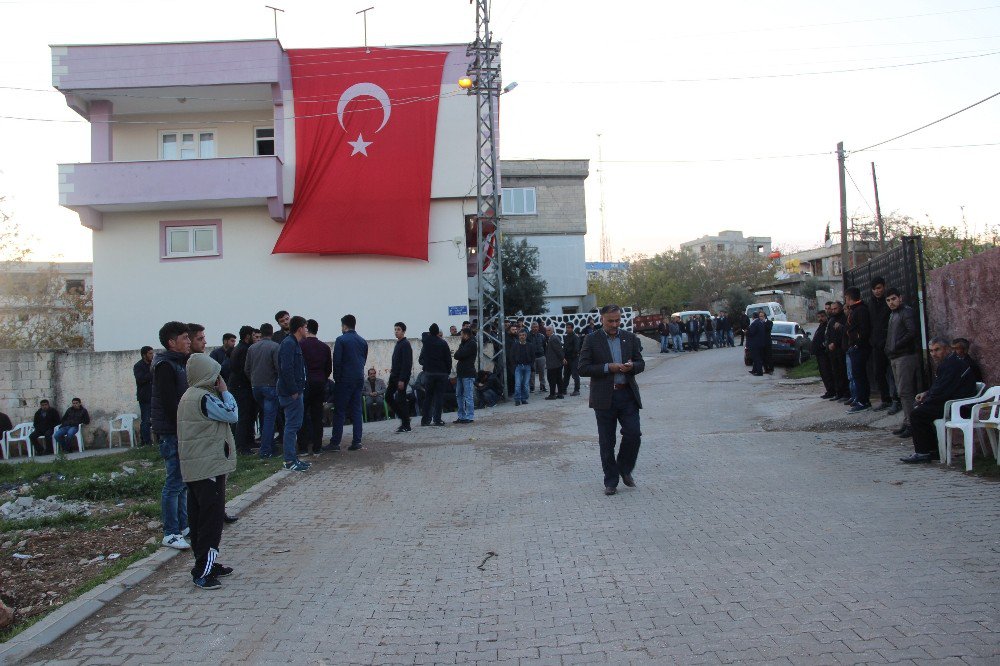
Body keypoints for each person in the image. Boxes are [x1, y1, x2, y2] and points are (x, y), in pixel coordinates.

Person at [176, 352, 238, 590]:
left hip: (195, 468)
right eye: (215, 375)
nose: (217, 379)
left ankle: (206, 563)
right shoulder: (204, 397)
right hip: (209, 467)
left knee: (199, 519)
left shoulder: (187, 396)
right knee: (211, 523)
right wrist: (225, 390)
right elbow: (232, 413)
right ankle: (203, 571)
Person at [579, 304, 645, 496]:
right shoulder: (591, 340)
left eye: (618, 320)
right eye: (611, 321)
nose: (615, 324)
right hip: (604, 397)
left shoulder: (629, 338)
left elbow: (640, 363)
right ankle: (611, 481)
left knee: (634, 434)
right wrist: (608, 367)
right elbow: (582, 368)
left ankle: (624, 468)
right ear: (602, 319)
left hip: (627, 395)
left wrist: (632, 366)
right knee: (607, 441)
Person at [900, 337, 978, 464]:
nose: (933, 354)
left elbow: (943, 390)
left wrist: (927, 400)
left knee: (917, 414)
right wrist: (926, 394)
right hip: (952, 402)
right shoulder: (947, 363)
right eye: (931, 351)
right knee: (921, 412)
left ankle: (923, 452)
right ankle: (932, 451)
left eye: (937, 350)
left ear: (947, 349)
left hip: (960, 407)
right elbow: (939, 387)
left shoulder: (953, 364)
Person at [151, 321, 192, 550]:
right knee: (174, 482)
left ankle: (184, 526)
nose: (188, 341)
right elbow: (170, 403)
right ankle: (171, 532)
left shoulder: (177, 363)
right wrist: (183, 425)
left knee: (182, 481)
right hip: (172, 431)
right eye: (185, 338)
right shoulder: (165, 365)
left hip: (179, 430)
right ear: (171, 342)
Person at [328, 314, 369, 451]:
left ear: (344, 325)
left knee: (339, 411)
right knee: (357, 410)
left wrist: (337, 379)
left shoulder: (341, 340)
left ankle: (335, 442)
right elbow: (363, 360)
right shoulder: (363, 341)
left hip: (344, 379)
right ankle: (357, 441)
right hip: (358, 378)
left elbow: (337, 362)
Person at [277, 316, 311, 471]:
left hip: (296, 391)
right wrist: (294, 390)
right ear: (299, 329)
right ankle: (289, 460)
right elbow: (286, 368)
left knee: (294, 425)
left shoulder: (293, 343)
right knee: (291, 426)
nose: (307, 330)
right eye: (305, 327)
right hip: (291, 393)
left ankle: (293, 458)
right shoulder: (289, 344)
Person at [885, 288, 920, 439]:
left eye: (893, 299)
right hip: (895, 356)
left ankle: (912, 424)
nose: (891, 302)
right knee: (902, 392)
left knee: (905, 391)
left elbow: (912, 332)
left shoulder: (906, 312)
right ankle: (907, 422)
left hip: (905, 355)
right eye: (888, 300)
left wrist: (896, 345)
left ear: (900, 297)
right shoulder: (894, 314)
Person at [245, 323, 280, 458]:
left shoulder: (252, 348)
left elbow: (247, 369)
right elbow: (278, 368)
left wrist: (254, 380)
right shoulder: (275, 347)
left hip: (256, 387)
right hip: (270, 386)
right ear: (271, 333)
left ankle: (270, 445)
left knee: (265, 416)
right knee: (270, 419)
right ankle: (266, 451)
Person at [299, 319, 332, 455]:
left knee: (302, 415)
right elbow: (328, 368)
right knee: (317, 416)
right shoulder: (324, 347)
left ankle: (303, 447)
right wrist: (322, 379)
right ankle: (317, 447)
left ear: (306, 329)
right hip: (319, 383)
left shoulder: (300, 345)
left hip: (305, 384)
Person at [228, 326, 257, 455]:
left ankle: (248, 441)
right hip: (242, 388)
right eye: (253, 335)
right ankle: (242, 446)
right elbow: (246, 370)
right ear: (247, 336)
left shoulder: (238, 349)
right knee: (244, 417)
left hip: (238, 386)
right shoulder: (244, 350)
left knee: (247, 416)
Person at [868, 278, 896, 412]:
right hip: (876, 344)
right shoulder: (871, 304)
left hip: (890, 344)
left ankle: (897, 400)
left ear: (884, 287)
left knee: (893, 373)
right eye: (874, 289)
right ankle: (886, 399)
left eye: (879, 288)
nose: (877, 291)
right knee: (878, 372)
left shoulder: (889, 302)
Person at [844, 286, 873, 412]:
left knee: (859, 375)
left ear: (848, 298)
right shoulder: (855, 310)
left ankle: (863, 401)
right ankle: (860, 399)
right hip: (855, 347)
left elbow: (863, 329)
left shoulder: (860, 310)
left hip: (859, 348)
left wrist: (857, 343)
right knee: (856, 375)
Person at [418, 323, 451, 426]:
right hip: (442, 373)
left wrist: (427, 366)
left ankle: (425, 420)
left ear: (429, 331)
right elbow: (448, 359)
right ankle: (437, 419)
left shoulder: (426, 343)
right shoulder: (443, 343)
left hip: (429, 374)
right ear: (438, 332)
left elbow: (421, 359)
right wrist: (447, 372)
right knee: (439, 397)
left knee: (428, 397)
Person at [387, 322, 414, 433]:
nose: (396, 331)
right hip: (394, 377)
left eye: (398, 329)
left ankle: (406, 423)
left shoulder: (405, 344)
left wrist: (402, 379)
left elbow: (406, 364)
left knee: (401, 400)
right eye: (395, 329)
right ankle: (405, 419)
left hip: (400, 378)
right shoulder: (398, 343)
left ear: (403, 331)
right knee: (388, 397)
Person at [826, 301, 850, 401]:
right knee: (836, 372)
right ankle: (839, 393)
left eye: (835, 308)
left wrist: (835, 343)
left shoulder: (843, 318)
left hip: (841, 349)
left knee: (843, 372)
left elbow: (843, 335)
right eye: (832, 309)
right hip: (832, 351)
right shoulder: (831, 319)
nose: (833, 310)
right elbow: (828, 334)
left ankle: (846, 393)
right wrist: (829, 344)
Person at [453, 328, 477, 423]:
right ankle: (461, 416)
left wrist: (460, 352)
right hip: (460, 374)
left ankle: (470, 416)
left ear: (466, 335)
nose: (461, 336)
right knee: (459, 395)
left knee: (468, 396)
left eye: (462, 334)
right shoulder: (463, 344)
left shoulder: (472, 343)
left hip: (468, 374)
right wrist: (460, 351)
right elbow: (456, 355)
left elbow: (460, 354)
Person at [812, 311, 836, 398]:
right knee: (823, 373)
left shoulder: (827, 326)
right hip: (819, 353)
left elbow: (827, 338)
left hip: (824, 353)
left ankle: (831, 391)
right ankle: (829, 390)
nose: (820, 319)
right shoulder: (820, 326)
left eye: (822, 316)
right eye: (818, 317)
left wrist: (822, 345)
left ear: (826, 316)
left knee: (827, 372)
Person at [133, 346, 154, 445]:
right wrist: (151, 373)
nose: (152, 355)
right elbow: (141, 379)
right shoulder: (138, 366)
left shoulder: (153, 364)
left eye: (152, 353)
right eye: (150, 353)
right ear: (144, 355)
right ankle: (145, 441)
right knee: (145, 420)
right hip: (145, 397)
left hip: (154, 396)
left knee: (156, 419)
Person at [511, 329, 534, 406]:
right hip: (518, 367)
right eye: (520, 335)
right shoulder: (515, 345)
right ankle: (517, 399)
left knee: (525, 384)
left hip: (527, 367)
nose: (522, 337)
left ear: (526, 336)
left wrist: (531, 364)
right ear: (518, 336)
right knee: (518, 384)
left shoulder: (530, 345)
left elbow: (533, 356)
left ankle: (524, 399)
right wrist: (514, 365)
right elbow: (512, 356)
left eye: (523, 335)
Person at [544, 325, 566, 400]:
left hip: (554, 363)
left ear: (552, 331)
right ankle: (560, 394)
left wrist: (562, 358)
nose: (547, 332)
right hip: (555, 363)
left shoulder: (553, 339)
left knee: (552, 379)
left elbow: (558, 350)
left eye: (549, 330)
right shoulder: (552, 338)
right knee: (558, 379)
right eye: (546, 330)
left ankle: (552, 394)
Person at [562, 321, 582, 396]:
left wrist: (570, 354)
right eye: (566, 327)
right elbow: (564, 348)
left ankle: (577, 390)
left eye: (569, 328)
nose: (567, 329)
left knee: (575, 375)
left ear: (572, 328)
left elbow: (576, 349)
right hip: (567, 359)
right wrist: (563, 357)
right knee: (566, 375)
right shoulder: (566, 337)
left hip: (574, 358)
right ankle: (563, 390)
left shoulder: (575, 337)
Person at [528, 322, 547, 393]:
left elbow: (544, 346)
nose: (535, 328)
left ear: (538, 328)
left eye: (536, 327)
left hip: (541, 356)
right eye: (534, 327)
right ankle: (531, 387)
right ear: (531, 328)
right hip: (532, 357)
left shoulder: (542, 336)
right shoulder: (528, 336)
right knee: (532, 373)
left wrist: (544, 355)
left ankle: (543, 386)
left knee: (542, 372)